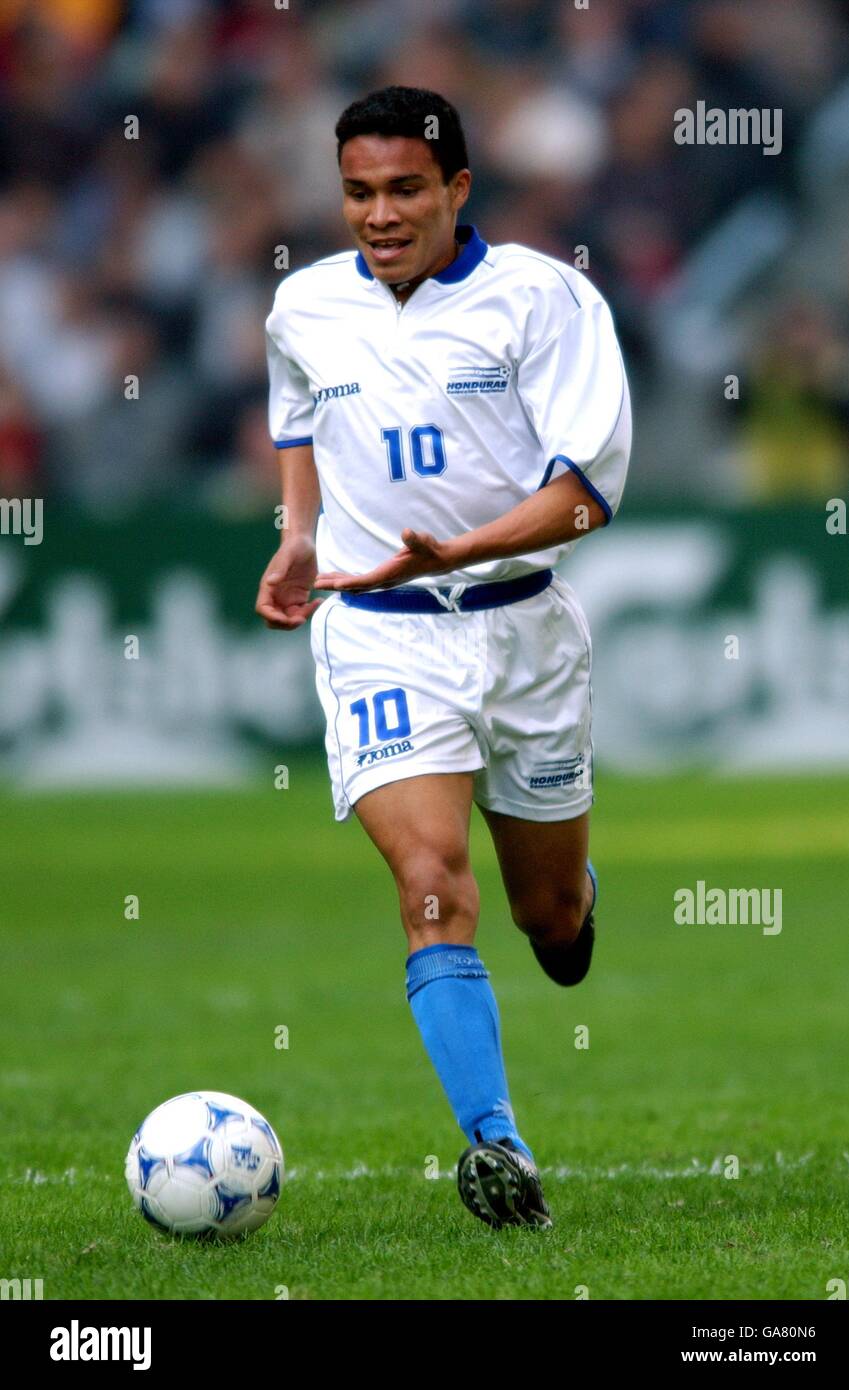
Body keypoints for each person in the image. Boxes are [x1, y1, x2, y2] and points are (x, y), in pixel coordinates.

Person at [256, 85, 631, 1229]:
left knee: (548, 920)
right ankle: (495, 1145)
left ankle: (568, 910)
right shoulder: (303, 306)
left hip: (521, 632)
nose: (378, 213)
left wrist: (459, 545)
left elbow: (586, 498)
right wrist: (300, 530)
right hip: (378, 639)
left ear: (457, 189)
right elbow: (296, 415)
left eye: (404, 189)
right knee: (430, 886)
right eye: (359, 192)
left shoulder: (545, 301)